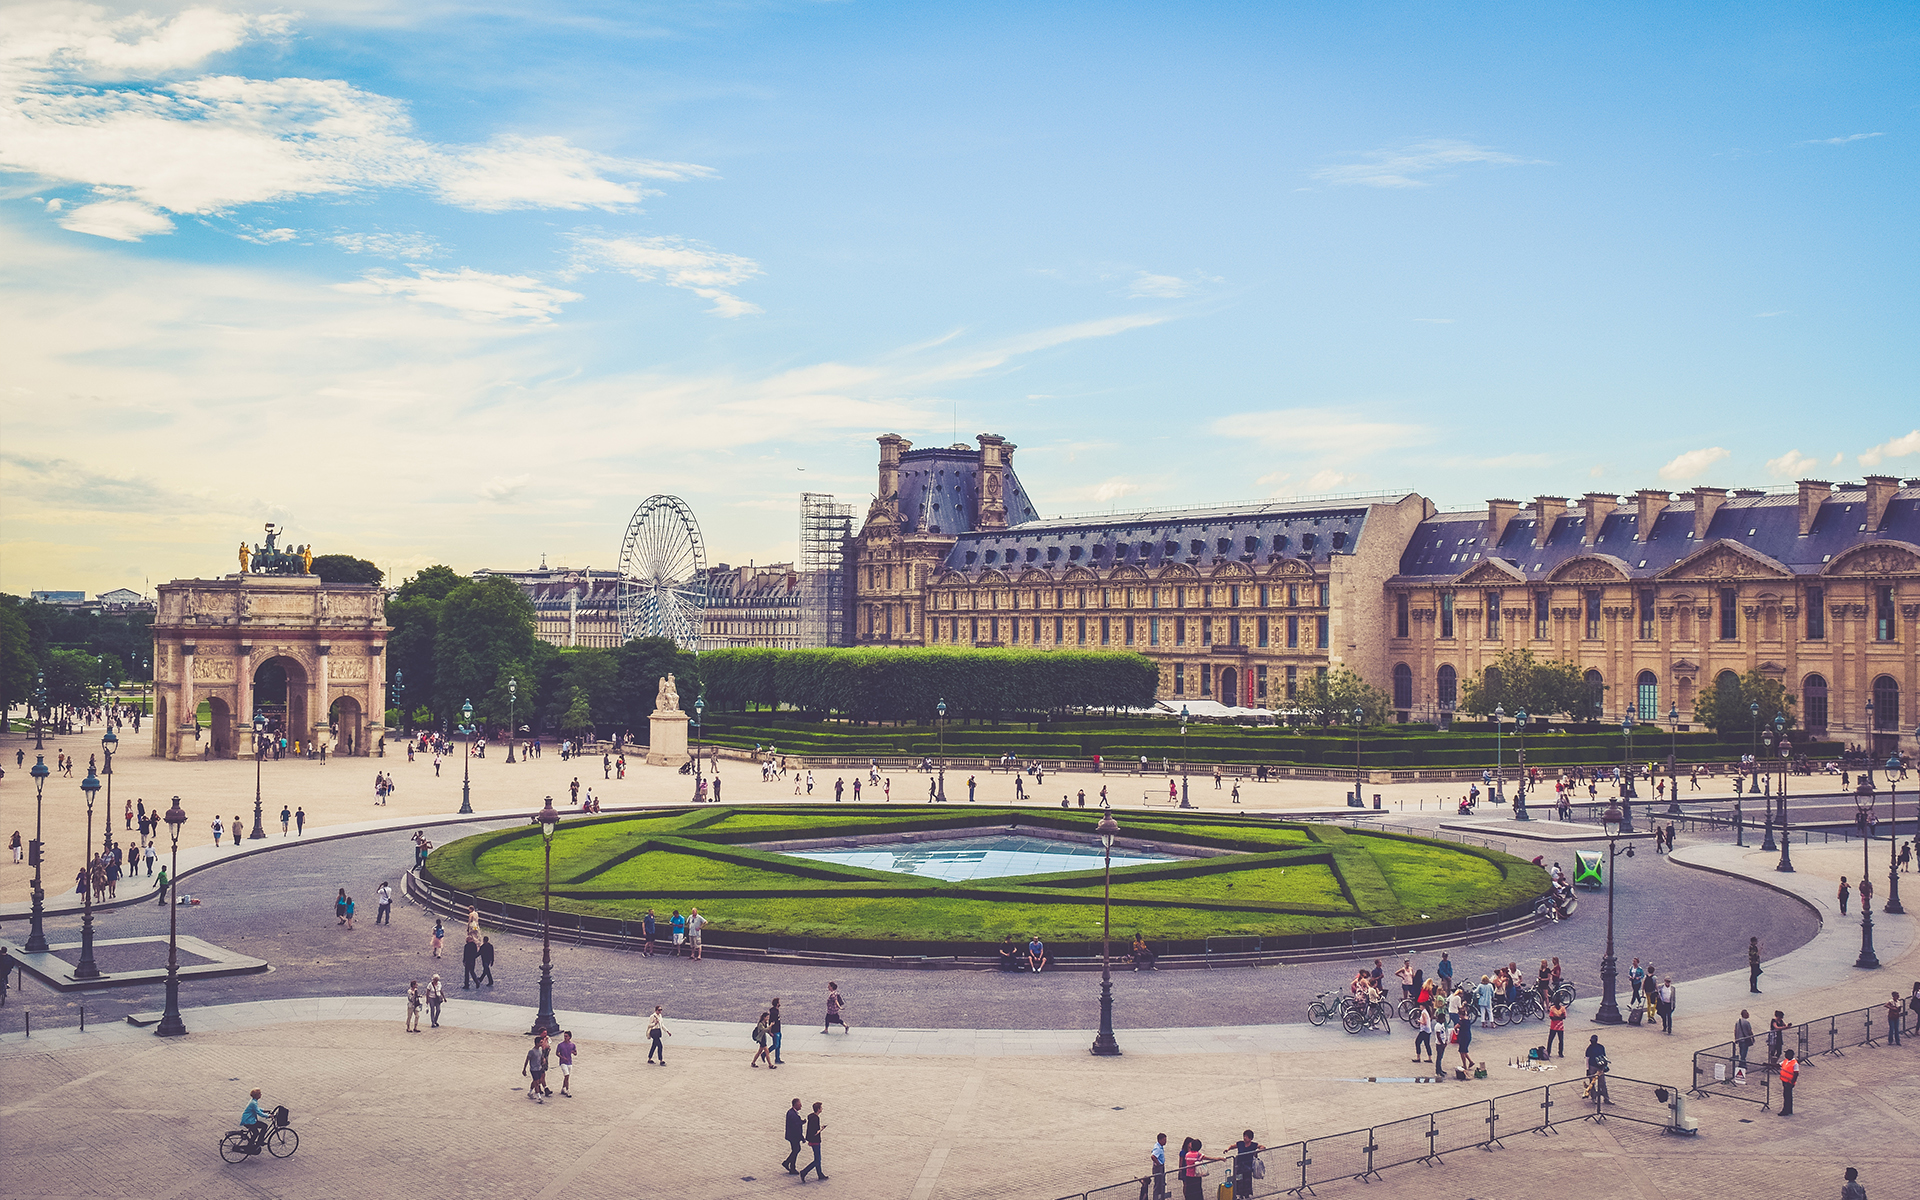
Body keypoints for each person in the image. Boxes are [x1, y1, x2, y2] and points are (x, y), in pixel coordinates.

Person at [798, 1101, 828, 1182]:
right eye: (821, 1108)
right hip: (815, 1141)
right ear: (818, 1109)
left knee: (817, 1158)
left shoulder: (811, 1116)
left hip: (811, 1140)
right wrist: (822, 1129)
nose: (822, 1109)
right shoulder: (816, 1118)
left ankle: (820, 1174)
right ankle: (804, 1172)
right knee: (817, 1160)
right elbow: (815, 1132)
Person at [1229, 1130, 1262, 1200]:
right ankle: (1239, 1195)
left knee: (1247, 1180)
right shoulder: (1240, 1143)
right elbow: (1233, 1146)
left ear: (1250, 1138)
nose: (1244, 1138)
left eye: (1246, 1137)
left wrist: (1257, 1152)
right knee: (1239, 1179)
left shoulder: (1253, 1145)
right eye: (1244, 1136)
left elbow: (1262, 1147)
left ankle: (1247, 1194)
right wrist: (1227, 1149)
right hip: (1239, 1165)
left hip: (1248, 1166)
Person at [238, 1087, 269, 1152]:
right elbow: (259, 1113)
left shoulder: (253, 1101)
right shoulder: (253, 1103)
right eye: (260, 1093)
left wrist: (265, 1110)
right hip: (249, 1121)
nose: (261, 1094)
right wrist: (268, 1116)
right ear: (257, 1095)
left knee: (261, 1127)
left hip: (249, 1120)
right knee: (258, 1131)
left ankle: (259, 1141)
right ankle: (250, 1147)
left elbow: (257, 1109)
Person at [1583, 1035, 1611, 1104]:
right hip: (1594, 1067)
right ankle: (1595, 1098)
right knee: (1594, 1083)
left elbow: (1603, 1057)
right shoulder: (1595, 1048)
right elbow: (1587, 1059)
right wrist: (1587, 1069)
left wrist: (1587, 1069)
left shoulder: (1597, 1047)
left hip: (1597, 1067)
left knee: (1600, 1083)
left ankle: (1605, 1098)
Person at [523, 1034, 550, 1103]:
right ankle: (539, 1097)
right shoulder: (532, 1051)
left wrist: (543, 1060)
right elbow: (527, 1060)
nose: (542, 1044)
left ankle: (530, 1092)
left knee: (536, 1081)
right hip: (533, 1069)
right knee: (537, 1083)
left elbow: (541, 1058)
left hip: (539, 1068)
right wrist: (524, 1069)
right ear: (537, 1043)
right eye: (540, 1042)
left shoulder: (540, 1050)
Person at [784, 1099, 806, 1175]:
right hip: (793, 1136)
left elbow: (796, 1123)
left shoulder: (791, 1113)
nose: (801, 1106)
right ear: (795, 1105)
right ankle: (790, 1165)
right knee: (796, 1150)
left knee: (796, 1150)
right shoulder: (793, 1115)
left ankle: (789, 1164)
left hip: (791, 1136)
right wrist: (802, 1137)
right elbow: (796, 1128)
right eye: (800, 1104)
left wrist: (801, 1122)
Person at [1148, 1133, 1170, 1200]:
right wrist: (1158, 1164)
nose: (1165, 1141)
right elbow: (1153, 1156)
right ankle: (1156, 1198)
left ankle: (1161, 1197)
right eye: (1164, 1140)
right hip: (1158, 1168)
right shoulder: (1157, 1148)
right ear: (1160, 1140)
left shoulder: (1159, 1146)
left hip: (1160, 1166)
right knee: (1158, 1183)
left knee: (1161, 1183)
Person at [1778, 1048, 1798, 1115]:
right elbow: (1778, 1065)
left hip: (1789, 1082)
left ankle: (1785, 1111)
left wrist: (1792, 1083)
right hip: (1784, 1081)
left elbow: (1796, 1074)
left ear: (1790, 1055)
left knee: (1787, 1096)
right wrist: (1768, 1065)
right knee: (1788, 1096)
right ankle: (1789, 1110)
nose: (1785, 1055)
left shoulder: (1795, 1063)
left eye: (1786, 1054)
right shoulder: (1786, 1061)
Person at [556, 1031, 577, 1096]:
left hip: (569, 1062)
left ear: (569, 1037)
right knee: (567, 1075)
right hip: (563, 1062)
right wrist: (562, 1057)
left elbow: (575, 1053)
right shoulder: (560, 1045)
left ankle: (563, 1088)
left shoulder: (572, 1045)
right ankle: (567, 1090)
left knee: (566, 1077)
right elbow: (557, 1053)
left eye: (566, 1036)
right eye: (564, 1036)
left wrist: (573, 1052)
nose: (565, 1037)